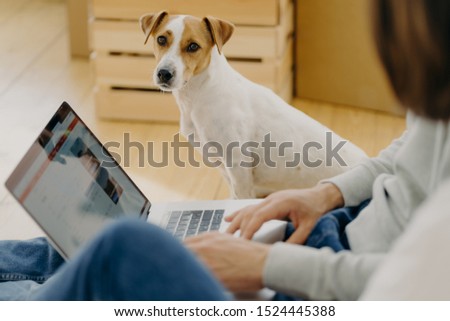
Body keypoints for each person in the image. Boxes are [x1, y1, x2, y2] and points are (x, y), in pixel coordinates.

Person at [1, 0, 449, 300]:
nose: (170, 60)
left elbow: (412, 289)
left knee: (118, 245)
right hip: (331, 216)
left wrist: (266, 261)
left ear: (214, 48)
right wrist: (326, 192)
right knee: (67, 245)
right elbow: (405, 154)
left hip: (319, 263)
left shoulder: (227, 106)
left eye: (191, 49)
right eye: (163, 44)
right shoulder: (436, 112)